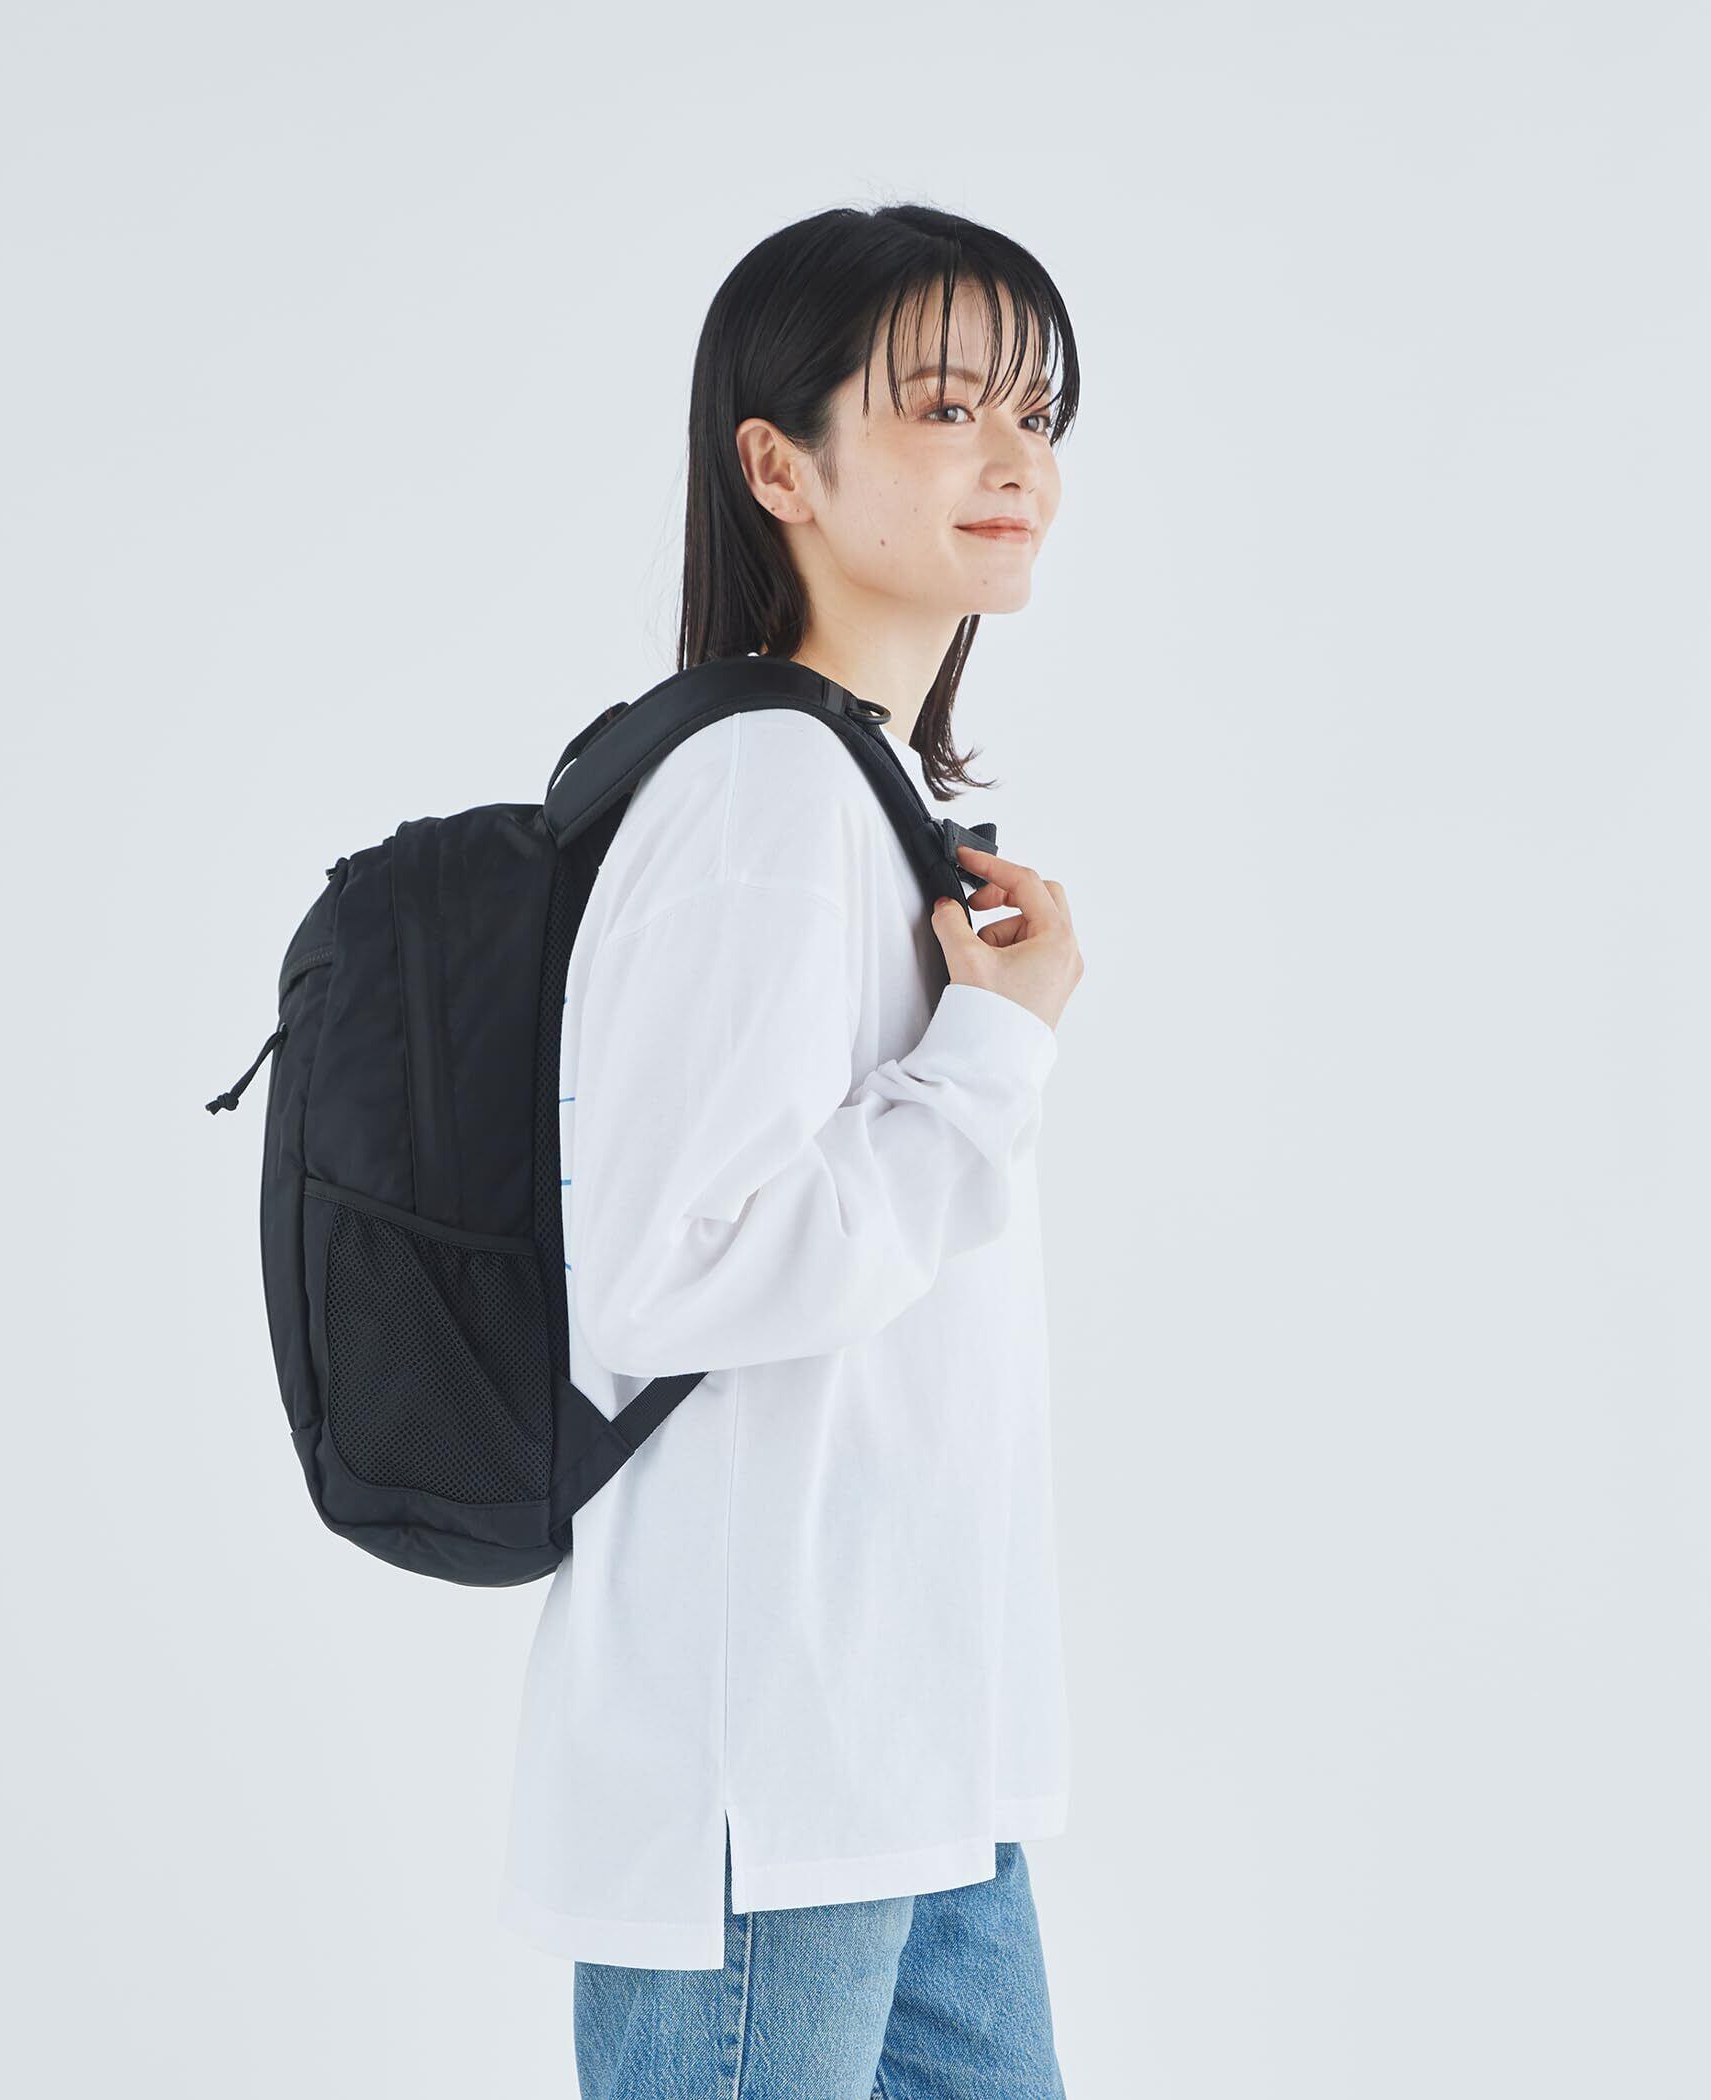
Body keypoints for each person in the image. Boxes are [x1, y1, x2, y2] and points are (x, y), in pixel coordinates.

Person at [499, 200, 1086, 2100]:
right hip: (775, 1762)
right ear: (779, 466)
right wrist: (992, 1053)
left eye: (1036, 413)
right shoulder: (760, 789)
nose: (1014, 458)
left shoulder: (861, 785)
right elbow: (675, 1266)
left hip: (910, 1745)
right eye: (943, 407)